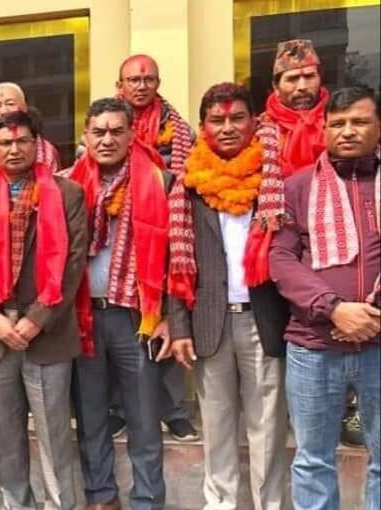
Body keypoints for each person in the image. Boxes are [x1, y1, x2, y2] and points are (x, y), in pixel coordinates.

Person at [166, 83, 289, 510]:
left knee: (267, 426)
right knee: (216, 426)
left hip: (264, 319)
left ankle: (269, 504)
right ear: (204, 126)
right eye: (216, 120)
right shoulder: (189, 185)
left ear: (254, 122)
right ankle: (219, 503)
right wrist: (179, 326)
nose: (227, 127)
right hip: (210, 323)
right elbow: (175, 262)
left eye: (237, 118)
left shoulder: (274, 179)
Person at [0, 111, 87, 509]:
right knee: (6, 436)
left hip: (46, 332)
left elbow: (73, 266)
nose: (14, 149)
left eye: (22, 141)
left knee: (54, 436)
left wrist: (37, 318)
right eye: (5, 143)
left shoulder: (66, 193)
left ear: (37, 143)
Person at [269, 85, 380, 510]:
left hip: (379, 343)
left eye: (359, 121)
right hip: (313, 345)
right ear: (324, 129)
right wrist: (334, 308)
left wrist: (371, 315)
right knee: (313, 459)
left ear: (378, 127)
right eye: (337, 123)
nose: (348, 131)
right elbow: (281, 258)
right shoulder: (297, 187)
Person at [68, 98, 171, 510]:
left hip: (137, 318)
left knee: (144, 417)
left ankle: (147, 500)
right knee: (91, 416)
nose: (107, 139)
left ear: (132, 135)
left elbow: (178, 258)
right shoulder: (68, 185)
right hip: (84, 316)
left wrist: (168, 317)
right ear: (86, 136)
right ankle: (101, 498)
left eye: (116, 131)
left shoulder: (161, 181)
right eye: (98, 132)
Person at [258, 39, 329, 176]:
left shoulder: (338, 121)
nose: (302, 86)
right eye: (292, 79)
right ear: (276, 87)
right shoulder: (260, 130)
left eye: (309, 76)